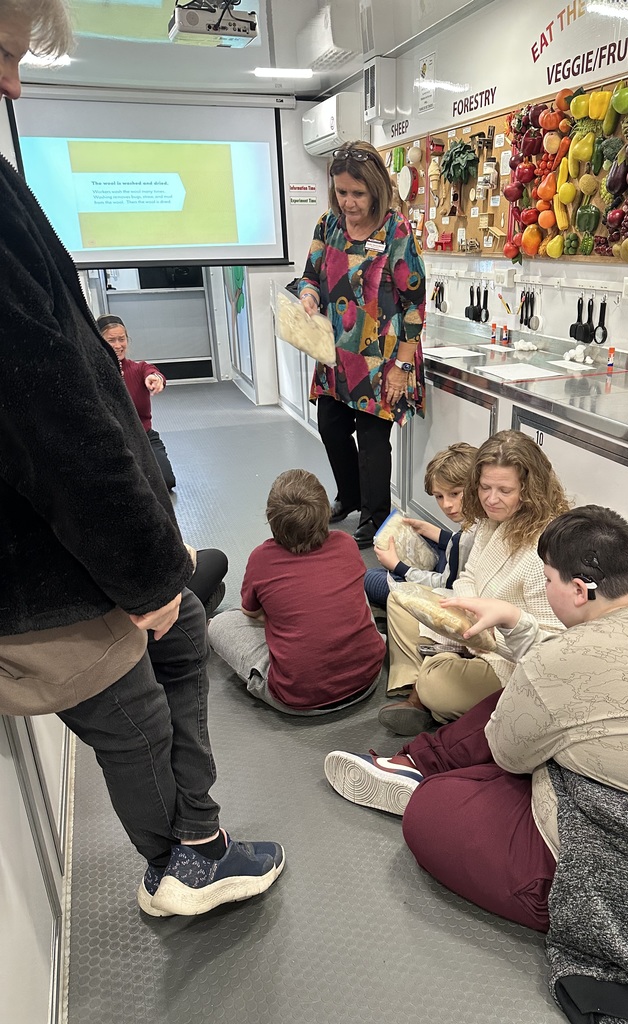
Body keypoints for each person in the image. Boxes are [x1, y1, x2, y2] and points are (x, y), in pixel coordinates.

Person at [0, 0, 283, 919]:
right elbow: (51, 424)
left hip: (87, 557)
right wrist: (146, 576)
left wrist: (158, 570)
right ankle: (183, 867)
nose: (13, 85)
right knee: (136, 718)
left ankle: (198, 839)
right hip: (53, 583)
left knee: (189, 627)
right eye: (3, 55)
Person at [324, 507, 628, 1021]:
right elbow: (559, 678)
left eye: (548, 579)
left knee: (431, 809)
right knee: (516, 707)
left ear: (579, 589)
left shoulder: (562, 660)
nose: (545, 589)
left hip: (619, 858)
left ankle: (421, 772)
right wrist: (514, 620)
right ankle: (422, 764)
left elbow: (509, 752)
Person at [377, 430, 569, 735]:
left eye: (504, 490)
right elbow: (467, 575)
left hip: (507, 661)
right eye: (484, 487)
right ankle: (421, 689)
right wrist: (467, 613)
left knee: (436, 684)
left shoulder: (547, 550)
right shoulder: (492, 520)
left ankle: (424, 690)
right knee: (399, 598)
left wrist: (484, 635)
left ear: (530, 489)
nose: (491, 499)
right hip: (473, 630)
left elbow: (549, 649)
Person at [298, 140, 427, 550]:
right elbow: (310, 275)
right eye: (341, 192)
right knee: (331, 427)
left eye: (358, 193)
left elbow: (414, 302)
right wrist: (308, 294)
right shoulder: (328, 225)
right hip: (336, 354)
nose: (348, 202)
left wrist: (402, 366)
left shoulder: (395, 230)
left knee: (373, 443)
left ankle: (376, 516)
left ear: (376, 190)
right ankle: (350, 495)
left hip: (383, 357)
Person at [208, 469, 385, 714]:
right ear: (325, 512)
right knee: (355, 590)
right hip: (368, 679)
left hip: (298, 698)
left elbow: (250, 613)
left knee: (220, 623)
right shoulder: (346, 543)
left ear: (271, 518)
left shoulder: (261, 558)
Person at [363, 441, 478, 611]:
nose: (446, 504)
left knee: (369, 578)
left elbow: (445, 586)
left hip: (446, 595)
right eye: (439, 496)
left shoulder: (466, 538)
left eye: (454, 493)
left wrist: (399, 567)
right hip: (457, 571)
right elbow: (463, 544)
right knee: (422, 537)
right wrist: (434, 532)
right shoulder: (479, 521)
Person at [96, 313, 177, 490]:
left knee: (166, 481)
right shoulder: (94, 373)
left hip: (144, 436)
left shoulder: (139, 368)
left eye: (122, 339)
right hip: (113, 441)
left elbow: (153, 372)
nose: (118, 345)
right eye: (111, 340)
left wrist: (156, 378)